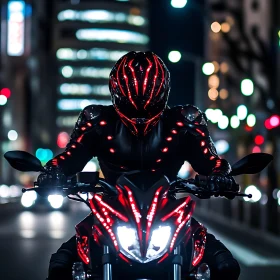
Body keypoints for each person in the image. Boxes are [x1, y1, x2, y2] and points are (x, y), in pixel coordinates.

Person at [39, 51, 240, 280]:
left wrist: (220, 175)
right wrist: (52, 172)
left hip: (168, 211)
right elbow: (70, 157)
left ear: (162, 94)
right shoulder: (97, 120)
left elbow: (210, 160)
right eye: (131, 104)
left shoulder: (185, 121)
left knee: (226, 266)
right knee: (60, 267)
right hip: (111, 211)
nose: (140, 114)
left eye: (149, 104)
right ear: (117, 93)